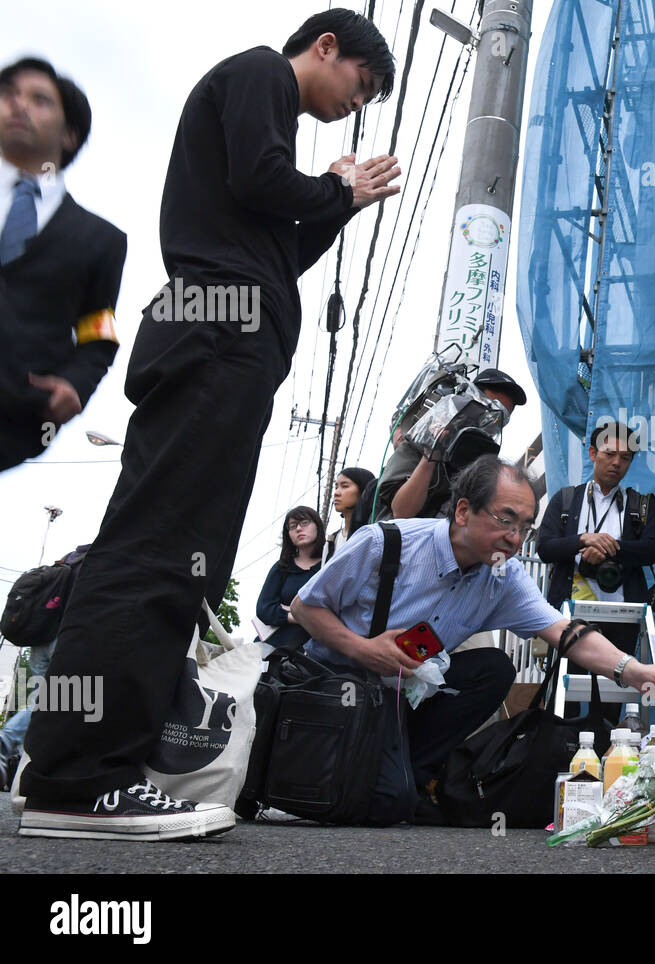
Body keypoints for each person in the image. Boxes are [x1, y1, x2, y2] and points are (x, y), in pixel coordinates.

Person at [18, 10, 400, 842]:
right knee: (157, 552)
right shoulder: (261, 71)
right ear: (326, 47)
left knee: (172, 554)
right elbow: (271, 184)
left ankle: (76, 770)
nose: (354, 107)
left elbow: (277, 248)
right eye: (360, 87)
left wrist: (340, 206)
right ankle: (80, 783)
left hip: (225, 334)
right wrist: (336, 186)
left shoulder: (254, 115)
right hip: (218, 337)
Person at [291, 455, 655, 820]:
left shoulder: (503, 578)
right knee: (387, 803)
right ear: (463, 511)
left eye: (524, 527)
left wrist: (635, 671)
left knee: (493, 668)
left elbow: (566, 631)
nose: (514, 538)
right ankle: (380, 774)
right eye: (505, 520)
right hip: (337, 690)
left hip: (400, 697)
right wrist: (364, 649)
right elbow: (305, 607)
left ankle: (410, 768)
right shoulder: (385, 543)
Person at [0, 58, 126, 472]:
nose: (18, 106)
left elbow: (98, 334)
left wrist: (74, 385)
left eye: (39, 100)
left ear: (69, 133)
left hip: (11, 419)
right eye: (9, 94)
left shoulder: (100, 242)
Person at [536, 420, 655, 674]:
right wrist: (583, 540)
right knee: (563, 692)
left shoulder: (642, 504)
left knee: (612, 690)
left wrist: (608, 547)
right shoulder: (565, 499)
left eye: (626, 457)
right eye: (610, 454)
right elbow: (545, 548)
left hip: (622, 613)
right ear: (593, 453)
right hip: (568, 613)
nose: (617, 462)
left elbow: (651, 550)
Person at [379, 368, 528, 521]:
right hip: (398, 540)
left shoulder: (481, 466)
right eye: (488, 409)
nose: (491, 421)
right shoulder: (420, 442)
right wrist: (430, 456)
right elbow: (401, 512)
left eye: (501, 419)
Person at [0, 544, 91, 791]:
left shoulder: (68, 559)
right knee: (61, 701)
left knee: (42, 702)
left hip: (40, 639)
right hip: (63, 638)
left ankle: (24, 764)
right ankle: (5, 743)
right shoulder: (94, 562)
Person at [255, 506, 325, 650]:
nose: (299, 529)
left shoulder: (328, 564)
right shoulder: (282, 567)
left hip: (315, 651)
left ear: (317, 526)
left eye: (304, 523)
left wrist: (287, 608)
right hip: (272, 648)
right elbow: (264, 609)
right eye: (293, 526)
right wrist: (300, 617)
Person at [323, 466, 375, 562]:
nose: (336, 493)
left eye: (345, 486)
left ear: (364, 490)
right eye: (336, 487)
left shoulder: (374, 536)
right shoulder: (331, 542)